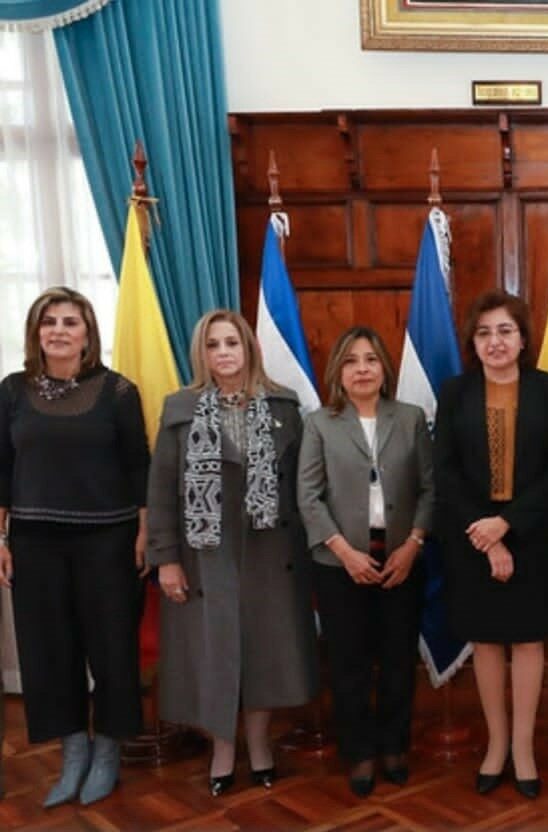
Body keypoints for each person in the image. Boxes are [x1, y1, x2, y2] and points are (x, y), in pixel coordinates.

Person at [147, 310, 318, 797]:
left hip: (271, 552)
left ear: (249, 348)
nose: (223, 353)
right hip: (205, 554)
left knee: (265, 652)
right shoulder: (180, 409)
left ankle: (260, 745)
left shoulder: (284, 406)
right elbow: (161, 491)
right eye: (213, 345)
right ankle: (222, 748)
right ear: (201, 354)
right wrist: (166, 559)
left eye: (231, 343)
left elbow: (305, 487)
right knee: (214, 652)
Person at [0, 286, 147, 806]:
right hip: (34, 541)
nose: (59, 330)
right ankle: (73, 752)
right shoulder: (12, 390)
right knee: (49, 651)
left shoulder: (119, 391)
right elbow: (2, 469)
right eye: (49, 322)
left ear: (88, 334)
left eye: (70, 322)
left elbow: (139, 466)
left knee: (111, 649)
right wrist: (2, 538)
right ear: (35, 332)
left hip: (108, 539)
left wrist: (144, 533)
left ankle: (107, 752)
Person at [434, 290, 548, 800]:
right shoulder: (455, 392)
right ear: (473, 342)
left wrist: (508, 525)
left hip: (532, 532)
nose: (495, 342)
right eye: (485, 332)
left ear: (523, 338)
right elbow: (444, 471)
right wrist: (487, 534)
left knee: (529, 640)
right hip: (470, 534)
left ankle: (523, 747)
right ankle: (495, 745)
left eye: (505, 331)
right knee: (486, 641)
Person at [298, 326, 434, 797]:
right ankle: (358, 753)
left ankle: (394, 748)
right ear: (338, 371)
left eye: (371, 359)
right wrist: (343, 551)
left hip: (401, 560)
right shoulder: (319, 424)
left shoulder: (410, 418)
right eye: (352, 361)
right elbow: (308, 497)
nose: (362, 369)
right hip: (340, 565)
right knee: (349, 665)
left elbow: (429, 489)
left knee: (398, 662)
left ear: (384, 368)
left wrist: (413, 544)